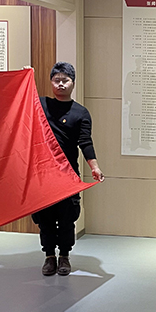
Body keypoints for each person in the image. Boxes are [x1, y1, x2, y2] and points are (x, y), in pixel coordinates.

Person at [33, 62, 104, 277]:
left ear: (73, 83)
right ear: (51, 82)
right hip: (43, 174)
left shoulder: (81, 112)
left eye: (65, 80)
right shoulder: (41, 105)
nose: (61, 84)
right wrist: (25, 74)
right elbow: (20, 100)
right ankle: (49, 256)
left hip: (68, 174)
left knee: (67, 217)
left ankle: (64, 256)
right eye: (57, 80)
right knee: (45, 218)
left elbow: (85, 142)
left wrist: (94, 167)